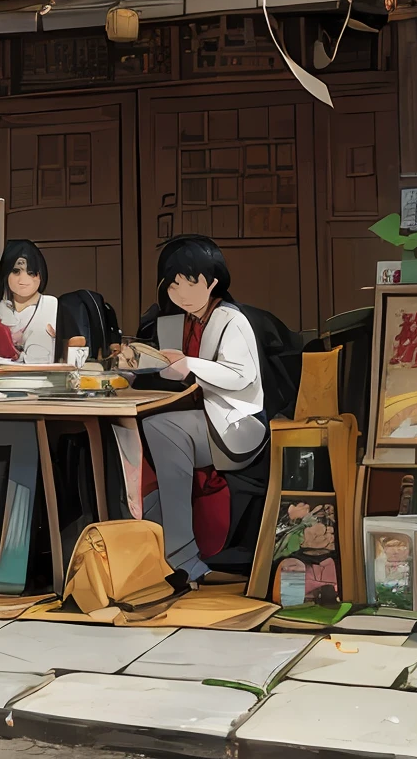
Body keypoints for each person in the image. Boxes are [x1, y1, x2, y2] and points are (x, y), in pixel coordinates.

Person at [119, 236, 265, 584]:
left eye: (189, 281)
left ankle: (181, 554)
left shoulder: (231, 320)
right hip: (197, 416)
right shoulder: (175, 322)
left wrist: (191, 364)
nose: (180, 291)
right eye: (173, 284)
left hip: (234, 419)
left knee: (161, 428)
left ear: (212, 280)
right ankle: (151, 541)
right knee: (135, 428)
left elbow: (240, 374)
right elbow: (168, 371)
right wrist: (134, 365)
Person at [0, 239, 76, 376]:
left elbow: (74, 347)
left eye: (31, 272)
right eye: (16, 271)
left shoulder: (55, 307)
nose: (23, 279)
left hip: (46, 384)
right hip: (1, 384)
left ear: (41, 274)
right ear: (6, 274)